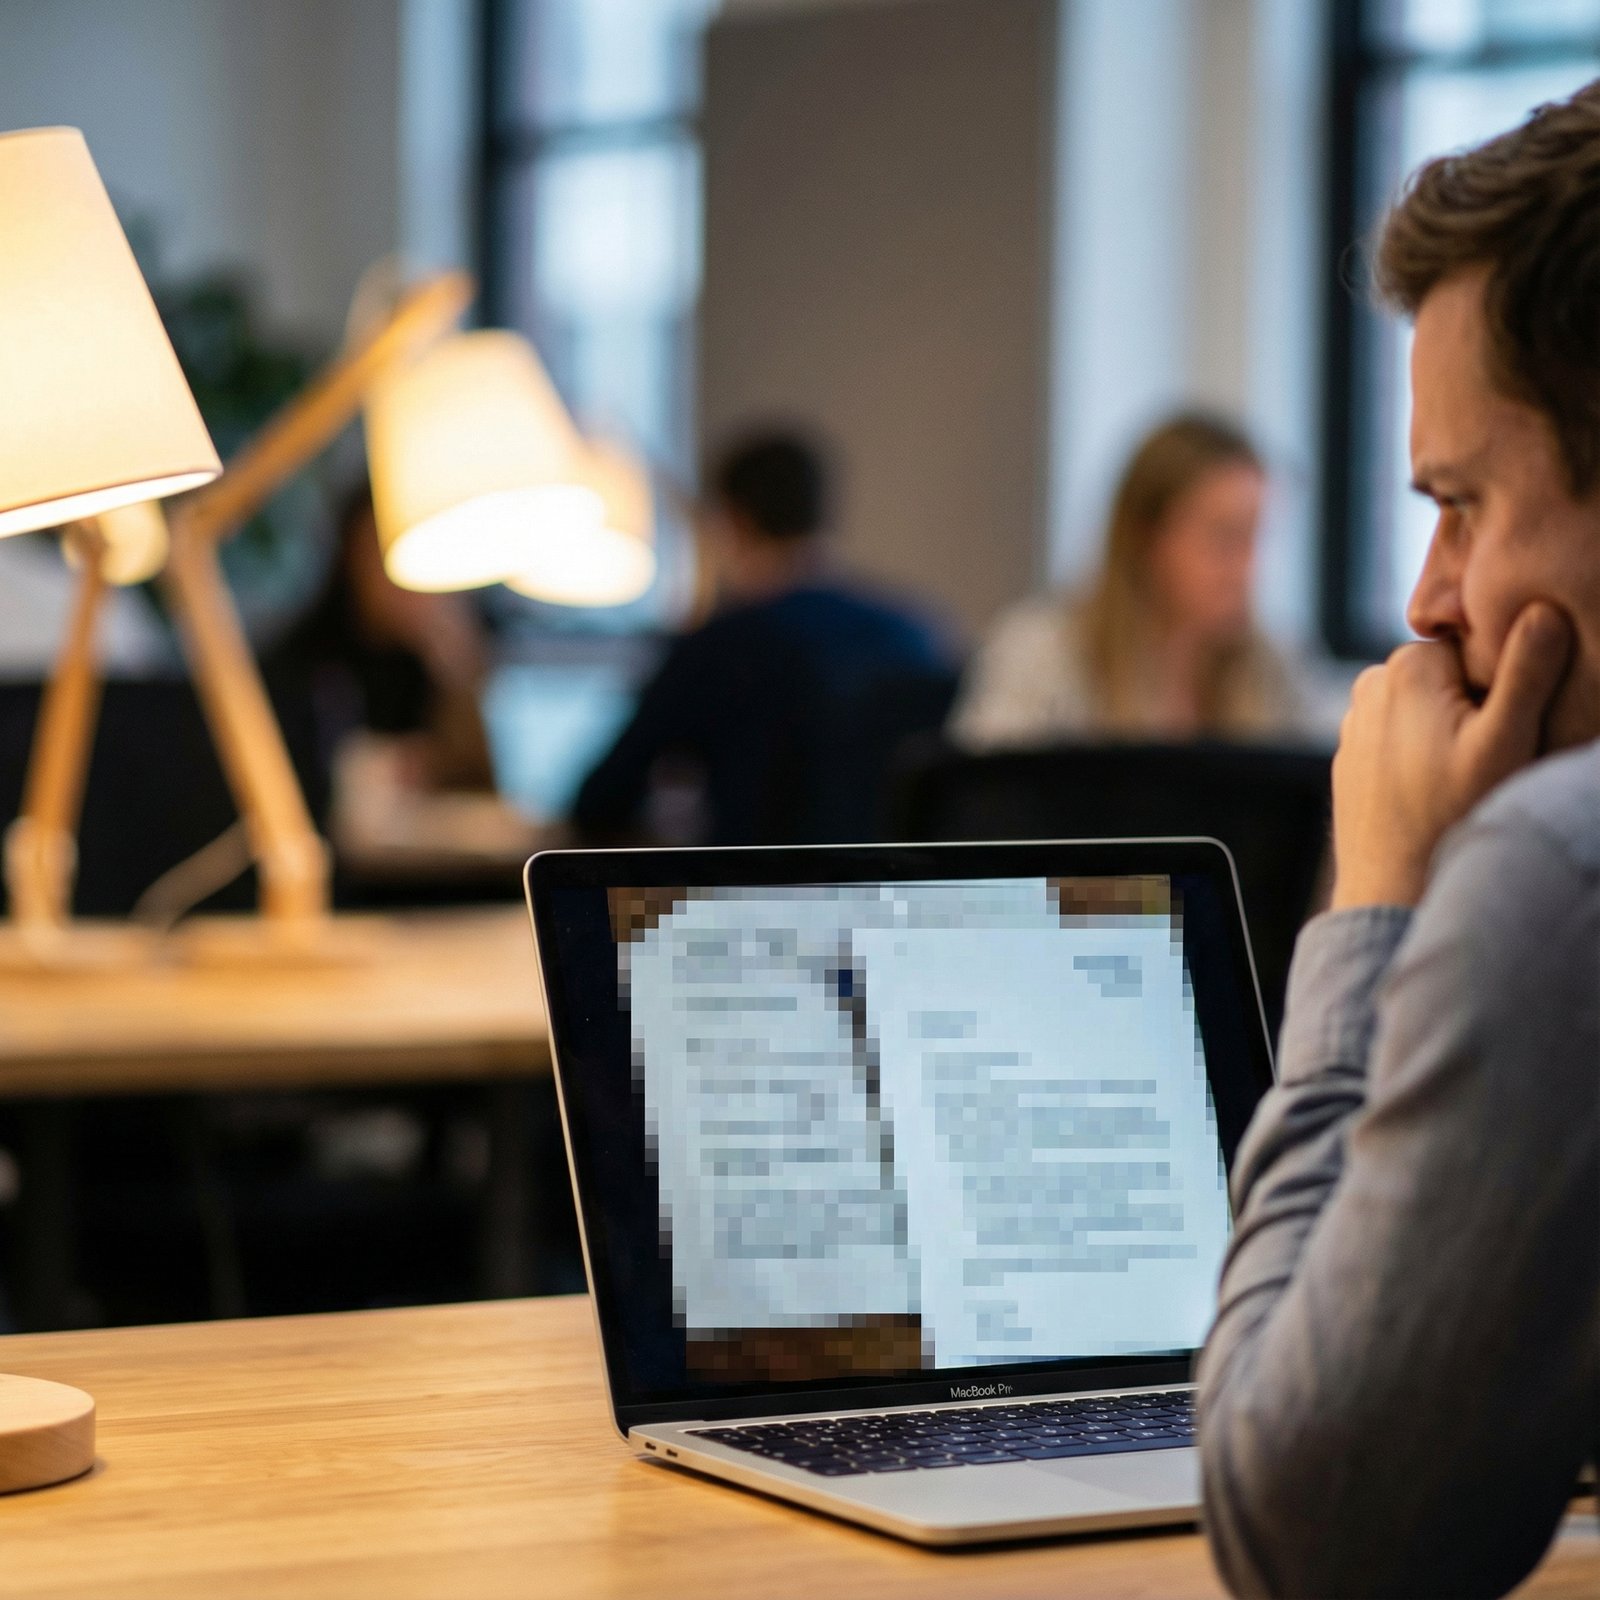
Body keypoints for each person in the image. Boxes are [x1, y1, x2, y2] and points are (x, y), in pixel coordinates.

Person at [1198, 86, 1600, 1599]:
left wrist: (1380, 897)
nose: (1432, 601)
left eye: (1463, 504)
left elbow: (1306, 1539)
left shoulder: (1565, 873)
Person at [572, 428, 958, 845]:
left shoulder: (718, 647)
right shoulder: (916, 633)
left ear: (733, 520)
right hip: (893, 898)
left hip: (751, 896)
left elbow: (600, 801)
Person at [949, 412, 1304, 748]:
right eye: (1224, 538)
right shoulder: (1043, 656)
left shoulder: (1270, 667)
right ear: (1146, 536)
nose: (1249, 569)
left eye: (1259, 537)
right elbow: (982, 799)